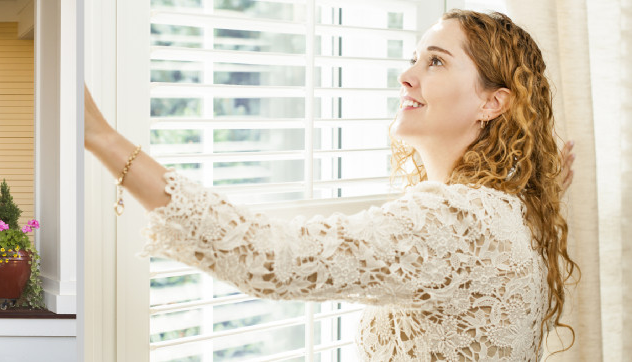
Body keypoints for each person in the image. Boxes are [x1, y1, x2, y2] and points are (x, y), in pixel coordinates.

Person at [85, 9, 577, 361]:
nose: (405, 76)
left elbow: (266, 256)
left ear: (493, 104)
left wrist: (102, 138)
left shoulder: (456, 220)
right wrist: (544, 178)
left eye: (436, 62)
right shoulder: (509, 209)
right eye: (414, 59)